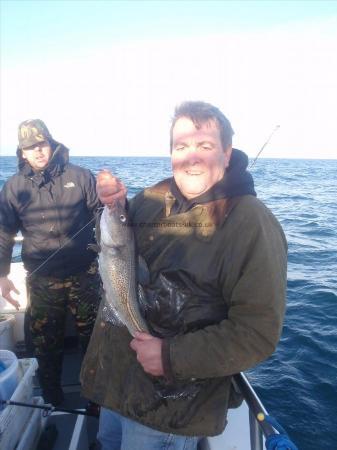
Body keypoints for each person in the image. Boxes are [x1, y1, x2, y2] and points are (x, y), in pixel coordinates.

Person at [81, 101, 287, 450]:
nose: (192, 157)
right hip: (116, 386)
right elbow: (114, 250)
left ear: (226, 152)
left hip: (169, 410)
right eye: (182, 146)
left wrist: (169, 356)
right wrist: (114, 206)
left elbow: (256, 333)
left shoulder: (251, 223)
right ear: (171, 153)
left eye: (205, 146)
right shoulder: (151, 199)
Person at [0, 119, 102, 406]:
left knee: (93, 341)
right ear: (21, 153)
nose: (38, 151)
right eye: (30, 147)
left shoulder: (81, 176)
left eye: (41, 144)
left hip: (85, 275)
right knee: (46, 345)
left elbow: (102, 214)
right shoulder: (13, 188)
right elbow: (4, 232)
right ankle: (52, 399)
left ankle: (97, 399)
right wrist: (2, 274)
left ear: (51, 144)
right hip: (42, 280)